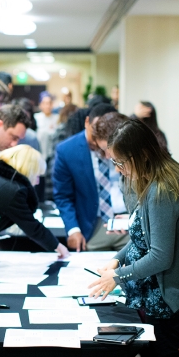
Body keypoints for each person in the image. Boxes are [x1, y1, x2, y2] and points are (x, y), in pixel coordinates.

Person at [88, 119, 179, 357]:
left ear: (141, 155)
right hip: (158, 297)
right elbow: (143, 238)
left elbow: (160, 256)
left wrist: (118, 276)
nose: (118, 170)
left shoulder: (163, 188)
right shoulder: (153, 179)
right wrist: (118, 260)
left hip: (170, 301)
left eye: (120, 162)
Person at [0, 145, 69, 258]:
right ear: (29, 171)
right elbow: (32, 227)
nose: (38, 181)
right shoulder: (13, 190)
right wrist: (59, 247)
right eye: (37, 175)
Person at [53, 104, 128, 252]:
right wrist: (73, 229)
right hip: (93, 226)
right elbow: (63, 196)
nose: (97, 138)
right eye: (96, 130)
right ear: (87, 122)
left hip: (127, 222)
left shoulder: (123, 145)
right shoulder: (67, 150)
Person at [34, 91, 59, 161]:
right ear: (40, 105)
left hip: (53, 155)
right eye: (45, 103)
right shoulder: (36, 118)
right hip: (39, 154)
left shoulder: (57, 118)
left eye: (49, 103)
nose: (47, 106)